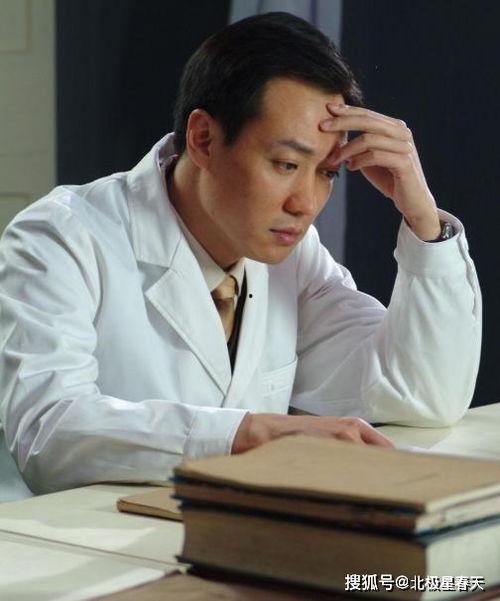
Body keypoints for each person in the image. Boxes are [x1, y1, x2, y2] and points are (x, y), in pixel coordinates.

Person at [0, 13, 481, 494]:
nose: (305, 203)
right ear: (204, 139)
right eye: (286, 164)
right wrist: (249, 434)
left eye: (326, 173)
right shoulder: (62, 237)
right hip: (90, 537)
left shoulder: (295, 257)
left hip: (232, 527)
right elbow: (47, 433)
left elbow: (420, 395)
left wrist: (424, 222)